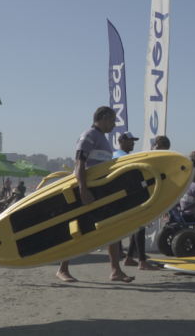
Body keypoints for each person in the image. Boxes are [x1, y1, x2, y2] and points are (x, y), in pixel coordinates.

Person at [56, 106, 134, 283]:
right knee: (78, 230)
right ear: (105, 118)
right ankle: (62, 269)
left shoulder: (104, 140)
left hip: (101, 191)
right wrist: (82, 188)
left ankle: (115, 271)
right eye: (113, 121)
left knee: (112, 228)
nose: (114, 125)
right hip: (88, 191)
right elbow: (79, 162)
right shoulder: (89, 135)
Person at [114, 131, 159, 272]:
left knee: (138, 226)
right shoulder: (122, 156)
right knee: (139, 225)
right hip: (127, 197)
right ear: (122, 141)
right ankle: (142, 262)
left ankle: (128, 258)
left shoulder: (119, 155)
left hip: (127, 196)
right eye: (130, 140)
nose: (133, 143)